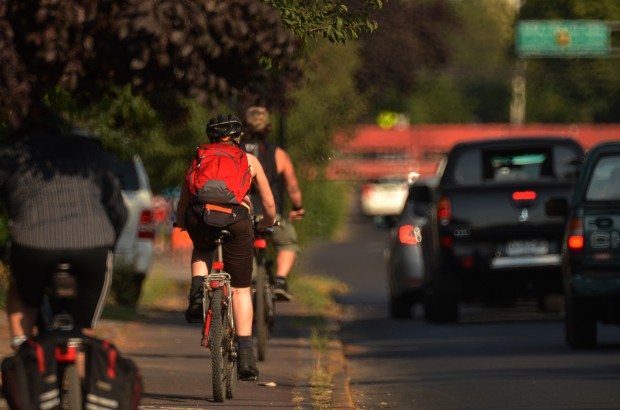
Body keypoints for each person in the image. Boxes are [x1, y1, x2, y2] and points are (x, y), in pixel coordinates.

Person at [0, 104, 128, 351]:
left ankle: (23, 353)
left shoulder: (11, 154)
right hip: (92, 242)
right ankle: (80, 366)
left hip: (32, 243)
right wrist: (109, 243)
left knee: (21, 293)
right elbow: (118, 208)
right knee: (83, 328)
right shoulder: (88, 150)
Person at [175, 113, 276, 381]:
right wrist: (267, 222)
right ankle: (244, 355)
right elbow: (269, 204)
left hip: (202, 216)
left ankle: (198, 292)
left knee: (202, 247)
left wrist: (181, 220)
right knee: (242, 289)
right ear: (237, 136)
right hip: (237, 220)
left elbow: (187, 192)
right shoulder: (248, 160)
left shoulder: (200, 156)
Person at [242, 106, 305, 301]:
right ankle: (280, 280)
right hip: (272, 215)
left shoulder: (235, 153)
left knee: (242, 244)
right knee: (287, 241)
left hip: (243, 214)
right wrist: (297, 208)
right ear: (268, 127)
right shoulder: (278, 154)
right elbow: (292, 188)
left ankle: (249, 280)